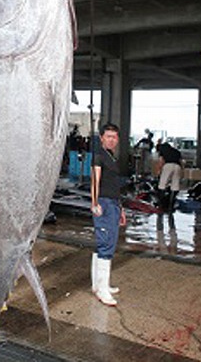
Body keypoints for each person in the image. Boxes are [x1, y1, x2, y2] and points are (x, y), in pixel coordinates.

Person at [90, 123, 126, 306]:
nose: (112, 140)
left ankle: (98, 284)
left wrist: (121, 209)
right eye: (108, 136)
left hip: (113, 203)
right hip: (103, 203)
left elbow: (114, 185)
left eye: (114, 137)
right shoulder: (99, 156)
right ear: (102, 138)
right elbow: (95, 181)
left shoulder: (111, 157)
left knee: (105, 242)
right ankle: (102, 290)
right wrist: (94, 203)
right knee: (106, 244)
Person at [155, 140, 183, 208]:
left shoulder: (163, 150)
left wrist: (158, 171)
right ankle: (171, 204)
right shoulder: (176, 151)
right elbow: (181, 162)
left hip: (168, 165)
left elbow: (161, 161)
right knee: (175, 186)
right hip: (177, 166)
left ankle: (160, 203)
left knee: (162, 184)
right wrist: (182, 172)